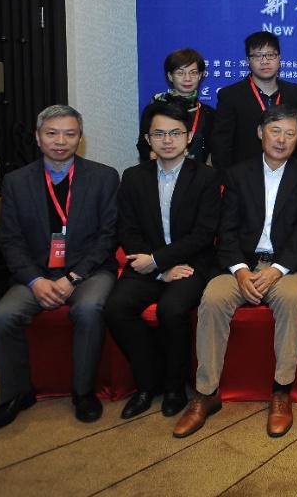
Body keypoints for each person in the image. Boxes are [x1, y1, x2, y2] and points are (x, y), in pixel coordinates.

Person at [173, 105, 297, 439]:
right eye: (274, 131)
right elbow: (226, 229)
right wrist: (240, 272)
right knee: (213, 298)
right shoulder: (237, 174)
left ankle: (281, 391)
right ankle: (206, 393)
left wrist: (278, 270)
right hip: (240, 263)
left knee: (290, 299)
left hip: (286, 266)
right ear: (260, 133)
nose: (281, 139)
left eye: (290, 133)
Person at [0, 105, 119, 432]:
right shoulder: (16, 182)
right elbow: (10, 240)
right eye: (52, 133)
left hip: (89, 271)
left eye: (70, 134)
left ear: (80, 138)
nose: (60, 141)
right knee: (1, 317)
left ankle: (83, 392)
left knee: (89, 309)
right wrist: (34, 280)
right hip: (37, 273)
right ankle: (16, 395)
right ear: (38, 137)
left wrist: (73, 277)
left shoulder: (104, 177)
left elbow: (108, 236)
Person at [105, 101, 222, 419]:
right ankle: (147, 383)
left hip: (191, 264)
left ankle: (174, 387)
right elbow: (127, 230)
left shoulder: (207, 177)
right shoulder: (133, 177)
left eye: (175, 133)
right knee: (116, 308)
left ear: (188, 137)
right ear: (148, 139)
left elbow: (204, 234)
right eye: (159, 134)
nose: (167, 140)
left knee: (172, 309)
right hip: (146, 264)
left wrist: (159, 260)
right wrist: (157, 268)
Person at [209, 31, 297, 168]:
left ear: (279, 58)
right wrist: (229, 178)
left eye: (270, 55)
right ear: (248, 61)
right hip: (243, 174)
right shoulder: (230, 95)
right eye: (257, 56)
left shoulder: (294, 92)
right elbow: (221, 145)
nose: (264, 61)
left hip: (287, 173)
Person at [136, 48, 217, 164]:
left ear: (200, 75)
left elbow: (214, 153)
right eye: (180, 73)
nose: (187, 78)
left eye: (193, 73)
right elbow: (143, 147)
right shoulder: (155, 109)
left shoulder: (209, 114)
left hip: (199, 173)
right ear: (170, 76)